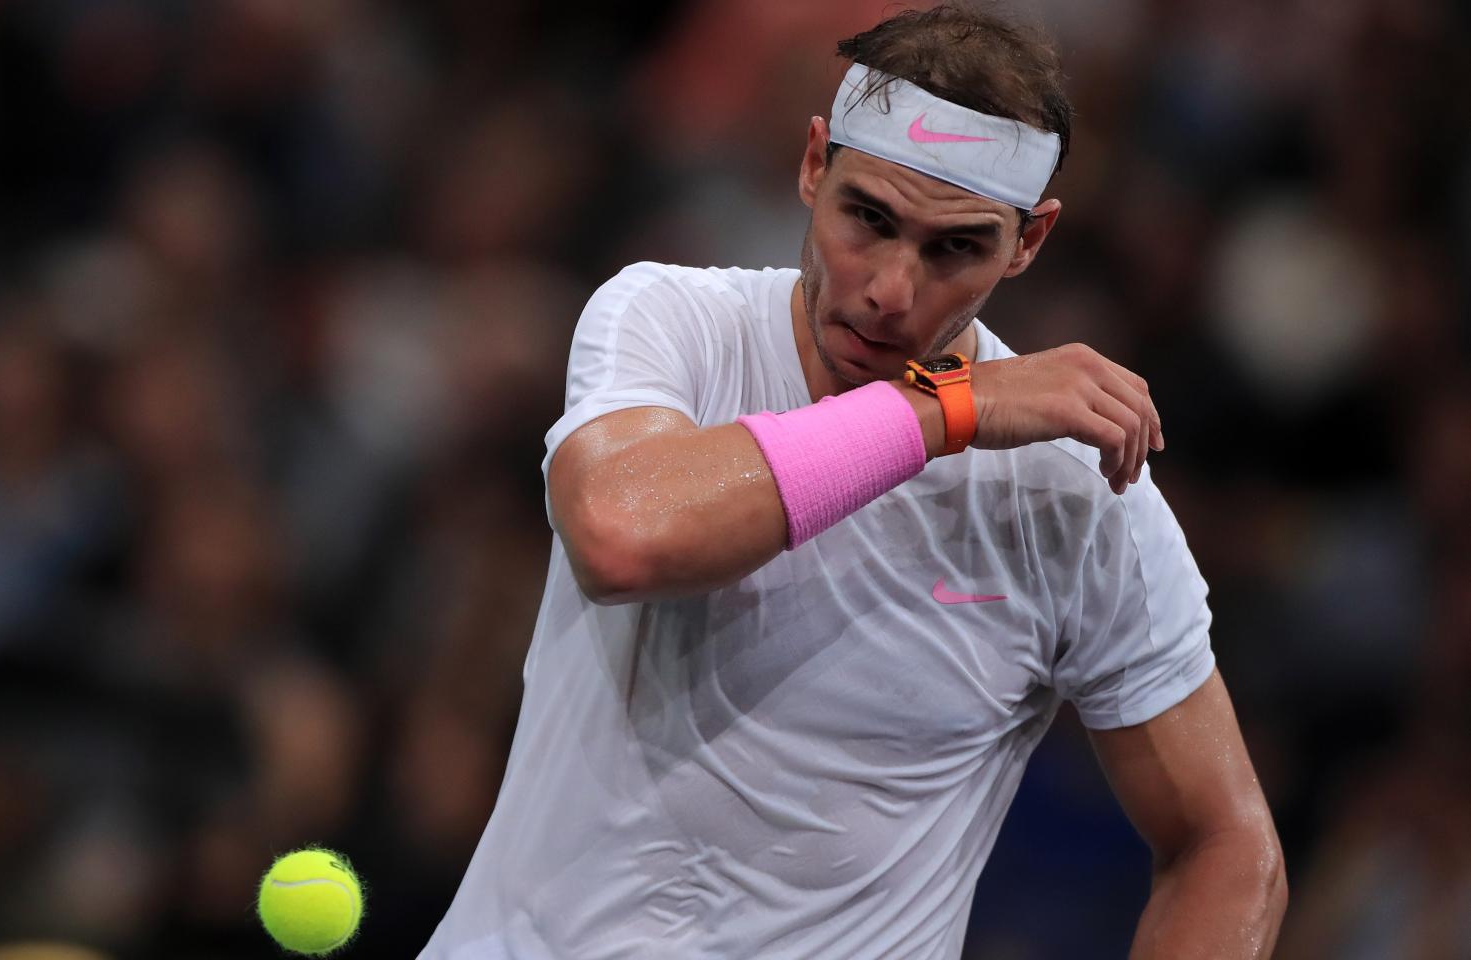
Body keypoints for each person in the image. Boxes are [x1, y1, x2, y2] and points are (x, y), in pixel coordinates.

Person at [419, 5, 1286, 958]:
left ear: (1030, 242)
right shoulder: (672, 321)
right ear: (811, 166)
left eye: (956, 247)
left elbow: (1229, 845)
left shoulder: (1078, 498)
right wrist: (946, 408)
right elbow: (624, 533)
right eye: (868, 219)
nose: (890, 291)